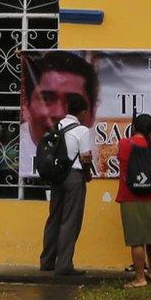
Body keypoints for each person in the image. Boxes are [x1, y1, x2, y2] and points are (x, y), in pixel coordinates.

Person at [38, 91, 95, 276]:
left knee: (54, 218)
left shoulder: (57, 126)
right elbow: (85, 158)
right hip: (74, 178)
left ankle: (47, 261)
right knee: (70, 220)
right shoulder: (82, 130)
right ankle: (64, 265)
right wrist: (87, 176)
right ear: (84, 112)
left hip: (57, 177)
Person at [20, 50, 99, 179]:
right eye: (46, 99)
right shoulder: (18, 152)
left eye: (72, 101)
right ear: (26, 105)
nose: (60, 113)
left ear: (92, 113)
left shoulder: (99, 151)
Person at [118, 111, 151, 288]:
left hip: (130, 197)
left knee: (136, 240)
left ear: (134, 127)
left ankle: (140, 278)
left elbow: (122, 164)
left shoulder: (124, 144)